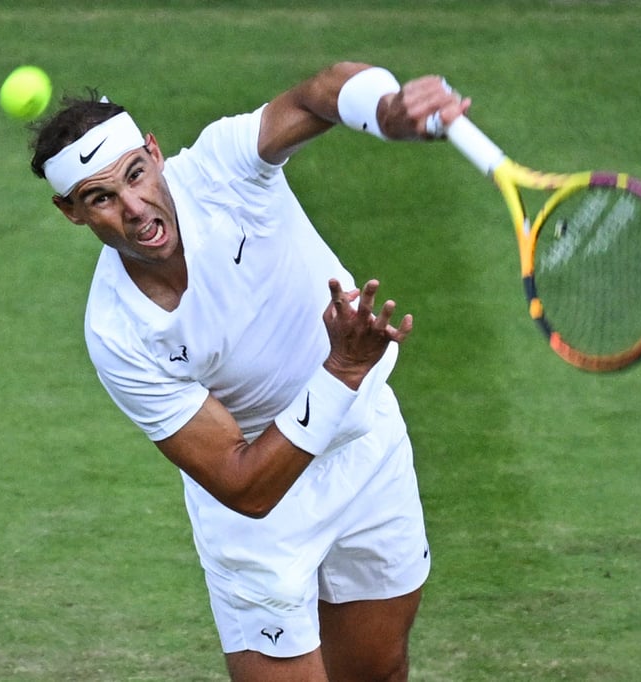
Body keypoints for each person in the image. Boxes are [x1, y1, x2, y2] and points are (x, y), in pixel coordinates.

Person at [28, 62, 470, 681]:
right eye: (100, 197)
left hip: (366, 452)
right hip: (260, 508)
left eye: (135, 174)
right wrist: (340, 370)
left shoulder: (220, 169)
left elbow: (320, 94)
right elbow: (245, 487)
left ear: (155, 154)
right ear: (72, 212)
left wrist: (387, 109)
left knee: (379, 672)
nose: (135, 208)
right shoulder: (117, 332)